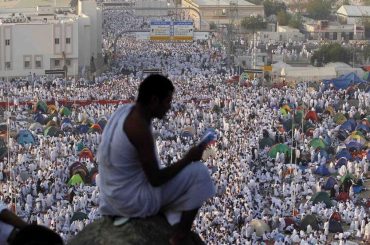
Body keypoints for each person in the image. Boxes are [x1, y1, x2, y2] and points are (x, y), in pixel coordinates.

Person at [97, 74, 215, 244]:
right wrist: (188, 158)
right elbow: (155, 180)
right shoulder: (138, 128)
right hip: (131, 203)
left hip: (111, 198)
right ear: (154, 100)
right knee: (199, 173)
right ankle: (180, 236)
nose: (169, 107)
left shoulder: (124, 112)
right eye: (167, 101)